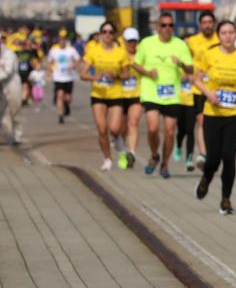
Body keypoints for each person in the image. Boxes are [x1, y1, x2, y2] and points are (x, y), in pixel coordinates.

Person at [193, 19, 236, 214]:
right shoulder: (209, 55)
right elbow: (196, 79)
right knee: (213, 158)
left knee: (229, 156)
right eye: (224, 33)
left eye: (231, 32)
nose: (228, 36)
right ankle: (206, 178)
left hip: (234, 114)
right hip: (213, 113)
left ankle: (226, 199)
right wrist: (208, 93)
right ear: (219, 36)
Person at [135, 14, 195, 181]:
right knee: (153, 128)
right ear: (157, 27)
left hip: (172, 95)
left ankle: (165, 163)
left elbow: (191, 69)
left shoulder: (180, 45)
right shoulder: (147, 43)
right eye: (163, 25)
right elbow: (136, 64)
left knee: (169, 132)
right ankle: (154, 155)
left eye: (170, 25)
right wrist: (148, 72)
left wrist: (181, 64)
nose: (167, 28)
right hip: (151, 92)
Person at [79, 23, 129, 170]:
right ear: (100, 34)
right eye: (104, 32)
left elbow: (127, 74)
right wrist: (94, 77)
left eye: (110, 32)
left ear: (114, 35)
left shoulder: (120, 52)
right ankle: (107, 158)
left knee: (114, 129)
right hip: (98, 94)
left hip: (116, 94)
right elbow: (82, 73)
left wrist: (117, 75)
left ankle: (119, 143)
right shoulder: (93, 51)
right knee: (102, 129)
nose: (107, 35)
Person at [183, 10, 219, 170]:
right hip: (198, 88)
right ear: (200, 25)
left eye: (210, 22)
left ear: (214, 24)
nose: (207, 25)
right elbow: (185, 60)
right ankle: (203, 153)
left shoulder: (220, 39)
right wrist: (186, 73)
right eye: (204, 22)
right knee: (201, 121)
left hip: (216, 88)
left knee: (214, 123)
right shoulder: (192, 41)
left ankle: (210, 151)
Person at [0, 32, 24, 145]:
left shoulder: (9, 54)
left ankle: (17, 135)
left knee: (15, 109)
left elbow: (7, 72)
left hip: (12, 83)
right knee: (0, 112)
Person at [115, 28, 144, 168]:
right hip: (119, 95)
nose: (132, 44)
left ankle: (131, 153)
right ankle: (122, 151)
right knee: (120, 128)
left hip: (136, 94)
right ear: (124, 41)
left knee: (133, 122)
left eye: (134, 41)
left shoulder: (142, 54)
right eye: (129, 41)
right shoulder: (119, 54)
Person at [47, 32, 79, 123]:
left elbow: (78, 60)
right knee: (59, 95)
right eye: (60, 39)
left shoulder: (71, 50)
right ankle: (60, 115)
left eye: (64, 39)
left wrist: (73, 66)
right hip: (58, 77)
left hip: (69, 77)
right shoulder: (54, 50)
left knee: (68, 98)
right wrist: (49, 72)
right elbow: (49, 62)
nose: (62, 41)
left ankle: (67, 105)